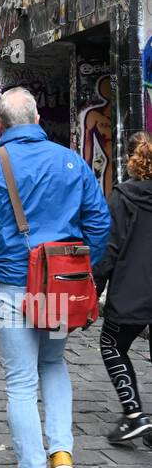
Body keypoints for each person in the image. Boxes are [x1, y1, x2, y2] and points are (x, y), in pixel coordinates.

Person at [0, 87, 111, 468]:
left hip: (14, 286)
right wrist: (80, 271)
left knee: (21, 382)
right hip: (60, 288)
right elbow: (100, 224)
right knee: (54, 364)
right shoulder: (71, 161)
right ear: (38, 118)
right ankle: (61, 453)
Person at [94, 132, 152, 446]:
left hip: (133, 290)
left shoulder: (124, 196)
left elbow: (109, 249)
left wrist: (94, 289)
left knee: (112, 345)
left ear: (130, 160)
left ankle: (134, 414)